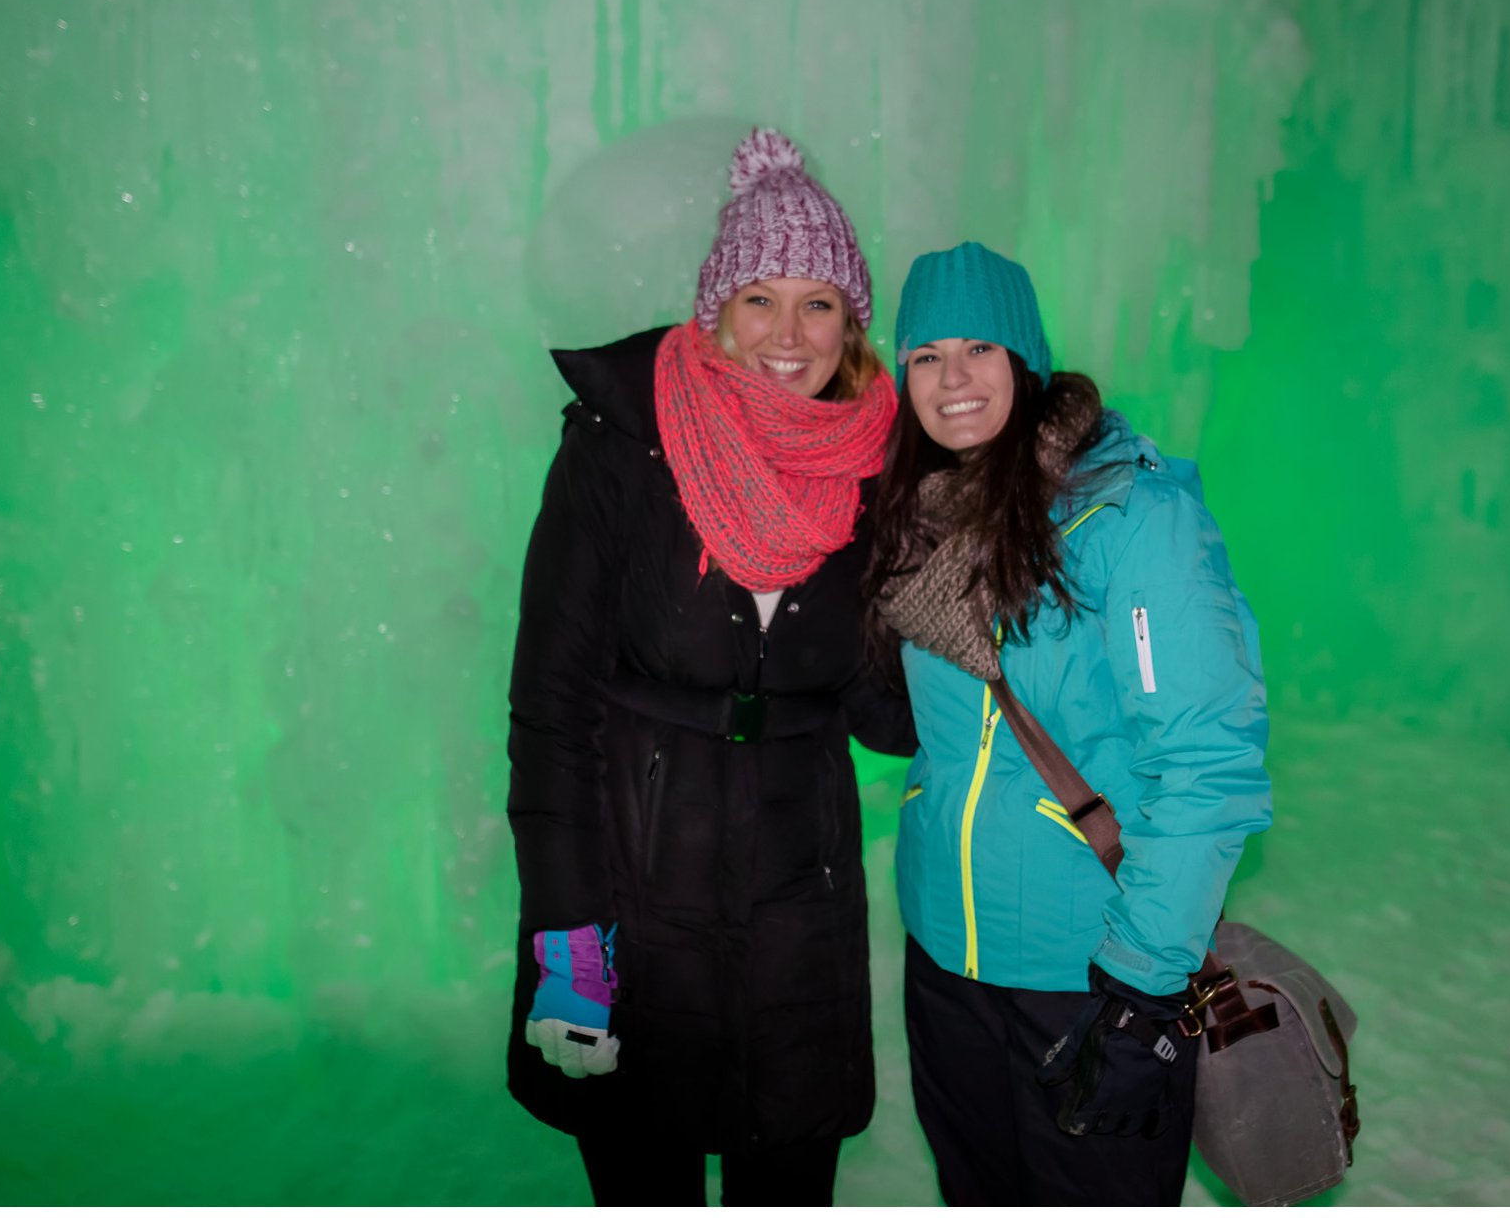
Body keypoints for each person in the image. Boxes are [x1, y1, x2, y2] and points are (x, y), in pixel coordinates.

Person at [505, 128, 915, 1206]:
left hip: (799, 913)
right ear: (714, 310)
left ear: (850, 322)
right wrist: (566, 935)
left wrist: (963, 602)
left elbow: (883, 713)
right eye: (759, 299)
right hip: (635, 902)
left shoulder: (875, 471)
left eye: (818, 302)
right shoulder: (617, 450)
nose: (789, 334)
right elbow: (549, 707)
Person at [862, 241, 1273, 1206]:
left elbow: (1206, 765)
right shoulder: (918, 518)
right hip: (948, 966)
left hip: (1088, 976)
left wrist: (1140, 993)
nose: (952, 378)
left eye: (980, 348)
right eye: (926, 355)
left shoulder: (1130, 514)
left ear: (1026, 360)